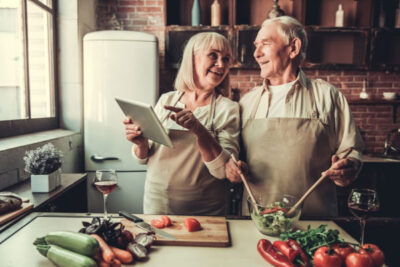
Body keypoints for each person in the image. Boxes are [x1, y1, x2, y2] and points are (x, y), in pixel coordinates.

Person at [225, 16, 364, 217]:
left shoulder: (328, 96)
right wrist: (232, 169)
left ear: (293, 48)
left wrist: (348, 167)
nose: (256, 53)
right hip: (257, 222)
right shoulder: (247, 103)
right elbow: (233, 157)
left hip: (316, 223)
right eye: (256, 46)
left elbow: (352, 151)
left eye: (265, 44)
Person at [123, 32, 240, 216]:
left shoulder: (228, 109)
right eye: (213, 55)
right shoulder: (166, 100)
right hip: (157, 203)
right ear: (192, 59)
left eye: (226, 59)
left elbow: (223, 170)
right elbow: (144, 157)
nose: (221, 64)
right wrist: (140, 143)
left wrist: (199, 130)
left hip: (205, 209)